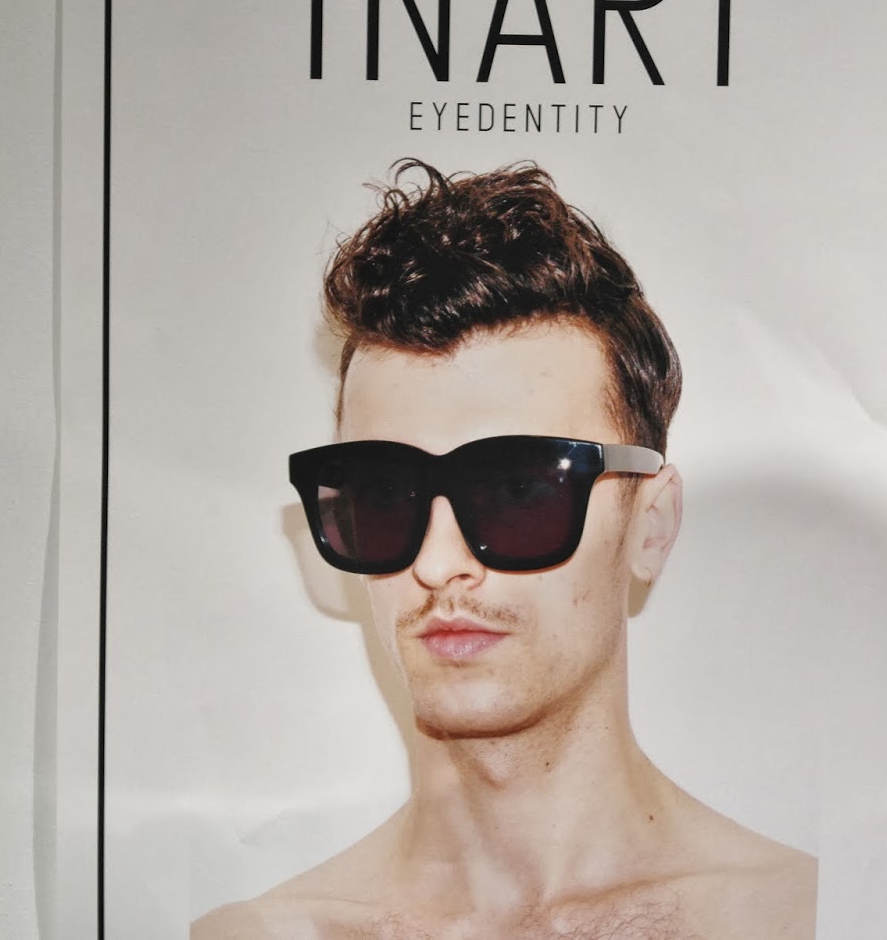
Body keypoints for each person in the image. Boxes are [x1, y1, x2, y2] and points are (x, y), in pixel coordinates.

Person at [193, 160, 816, 939]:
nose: (435, 564)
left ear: (650, 526)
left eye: (519, 490)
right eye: (384, 495)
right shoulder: (263, 935)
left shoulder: (802, 916)